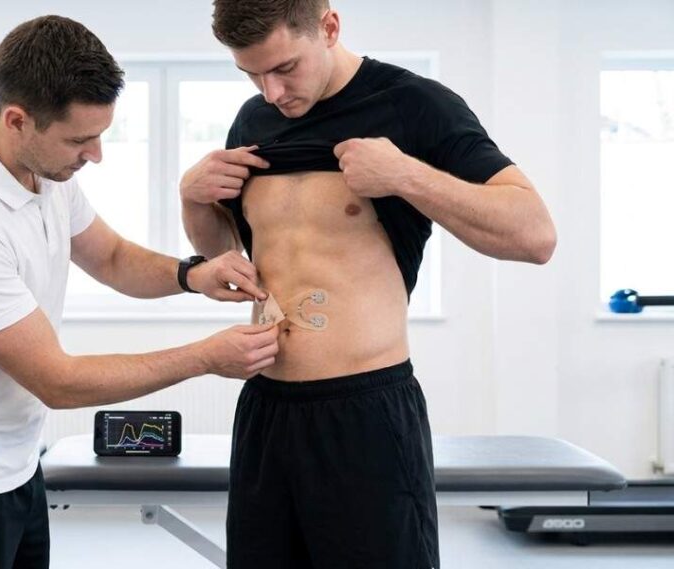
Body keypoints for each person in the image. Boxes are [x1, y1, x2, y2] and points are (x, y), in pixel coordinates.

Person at [0, 15, 279, 569]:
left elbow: (110, 257)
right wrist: (206, 356)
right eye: (81, 139)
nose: (95, 155)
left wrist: (194, 274)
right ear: (18, 120)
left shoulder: (44, 171)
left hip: (16, 464)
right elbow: (57, 382)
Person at [180, 2, 557, 567]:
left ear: (329, 28)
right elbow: (224, 252)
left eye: (285, 68)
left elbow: (535, 235)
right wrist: (191, 195)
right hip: (265, 410)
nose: (272, 91)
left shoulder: (413, 105)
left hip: (365, 413)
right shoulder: (253, 120)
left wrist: (406, 175)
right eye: (252, 74)